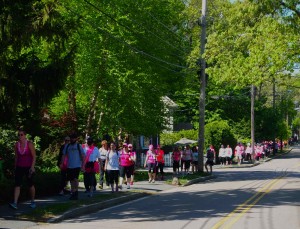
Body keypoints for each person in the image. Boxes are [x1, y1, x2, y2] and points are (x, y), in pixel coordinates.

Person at [9, 129, 37, 210]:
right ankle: (15, 203)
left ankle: (32, 201)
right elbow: (16, 157)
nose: (20, 136)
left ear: (25, 135)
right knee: (17, 184)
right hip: (19, 166)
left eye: (21, 135)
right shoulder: (16, 144)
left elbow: (34, 156)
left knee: (30, 184)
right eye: (19, 135)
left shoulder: (29, 144)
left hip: (28, 167)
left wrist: (32, 167)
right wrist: (15, 167)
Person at [60, 133, 85, 200]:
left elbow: (83, 156)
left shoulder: (78, 146)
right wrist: (62, 163)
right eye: (71, 138)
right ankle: (73, 191)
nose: (72, 139)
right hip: (69, 165)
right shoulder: (67, 146)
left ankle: (75, 192)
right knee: (71, 180)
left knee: (75, 179)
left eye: (73, 138)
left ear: (76, 139)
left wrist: (83, 166)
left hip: (77, 165)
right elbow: (63, 155)